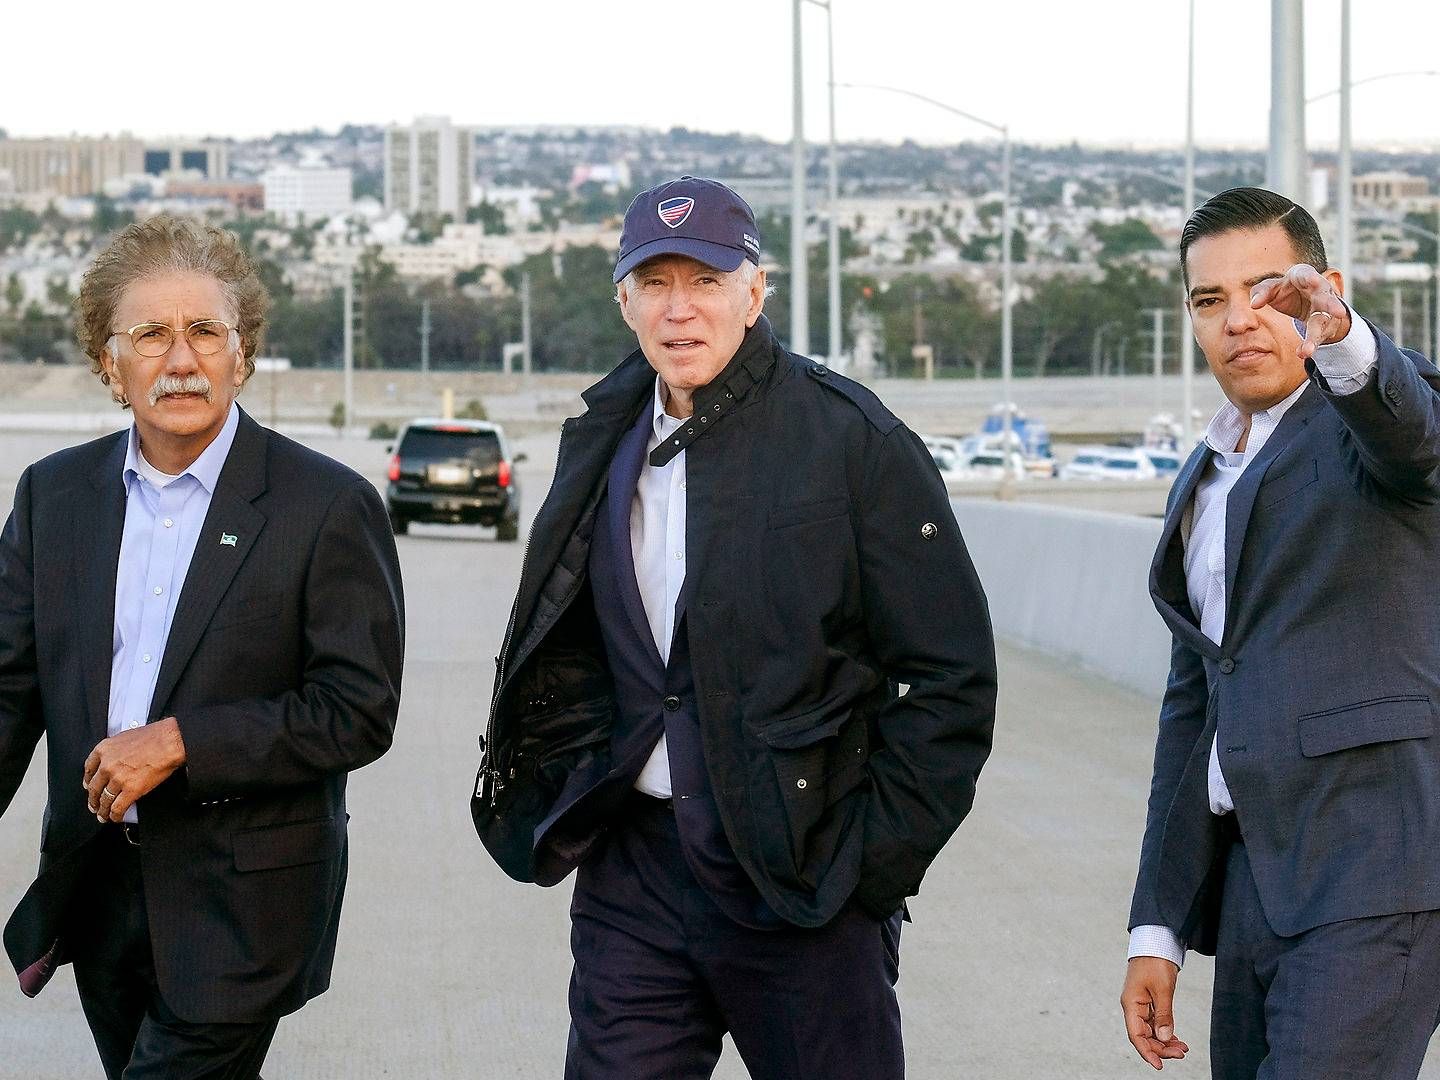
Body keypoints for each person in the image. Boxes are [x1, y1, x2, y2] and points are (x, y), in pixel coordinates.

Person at [470, 175, 997, 1079]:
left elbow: (953, 677)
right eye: (657, 283)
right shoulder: (600, 439)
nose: (681, 311)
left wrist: (866, 871)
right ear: (624, 301)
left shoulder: (852, 442)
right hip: (633, 877)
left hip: (800, 880)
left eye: (706, 281)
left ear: (754, 293)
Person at [0, 214, 405, 1079]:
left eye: (206, 332)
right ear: (109, 365)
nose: (181, 359)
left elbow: (358, 711)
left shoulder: (326, 507)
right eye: (150, 334)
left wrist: (183, 742)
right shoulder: (53, 497)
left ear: (243, 354)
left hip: (240, 907)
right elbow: (7, 688)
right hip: (99, 896)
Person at [1121, 186, 1440, 1079]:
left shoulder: (1370, 418)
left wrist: (1342, 336)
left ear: (1321, 288)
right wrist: (1158, 928)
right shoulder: (1207, 475)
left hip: (1379, 873)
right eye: (1209, 300)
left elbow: (1414, 437)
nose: (1241, 321)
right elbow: (1193, 722)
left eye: (1270, 291)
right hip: (1257, 883)